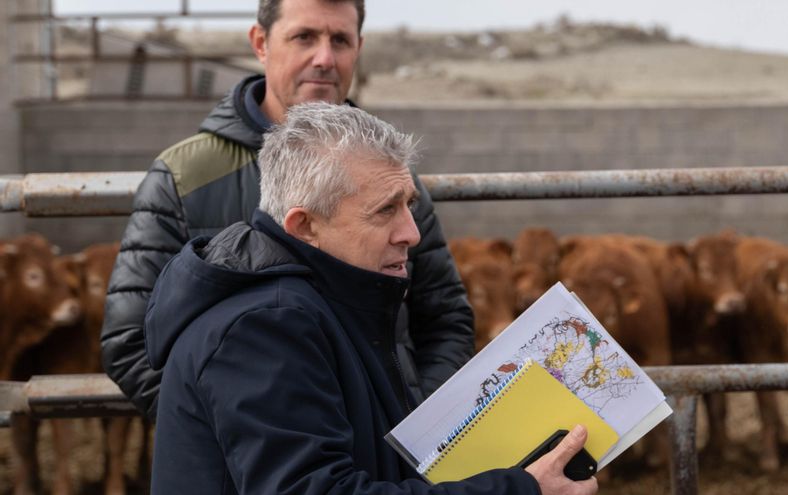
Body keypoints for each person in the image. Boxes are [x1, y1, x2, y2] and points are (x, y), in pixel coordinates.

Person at [146, 102, 599, 495]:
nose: (412, 233)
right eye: (385, 210)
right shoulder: (265, 327)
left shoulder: (328, 300)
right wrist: (520, 490)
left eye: (408, 204)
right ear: (304, 225)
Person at [101, 0, 474, 420]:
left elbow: (445, 318)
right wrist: (248, 433)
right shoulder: (185, 176)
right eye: (304, 37)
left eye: (341, 40)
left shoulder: (388, 170)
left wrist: (414, 425)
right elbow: (131, 342)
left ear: (359, 47)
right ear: (260, 43)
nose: (325, 58)